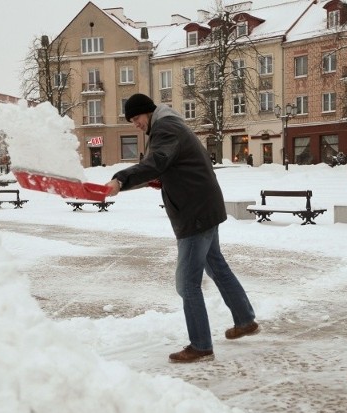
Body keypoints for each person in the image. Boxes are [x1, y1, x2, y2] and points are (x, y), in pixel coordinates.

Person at [105, 93, 259, 363]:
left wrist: (121, 179)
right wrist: (162, 179)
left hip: (195, 212)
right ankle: (245, 320)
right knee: (216, 266)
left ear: (148, 112)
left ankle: (201, 345)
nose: (135, 124)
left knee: (187, 283)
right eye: (131, 121)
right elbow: (174, 165)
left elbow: (157, 161)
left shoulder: (165, 128)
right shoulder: (170, 124)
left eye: (137, 118)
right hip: (203, 206)